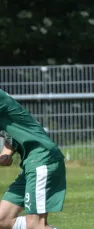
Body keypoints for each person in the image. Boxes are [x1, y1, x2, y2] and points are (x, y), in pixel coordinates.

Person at [0, 89, 66, 229]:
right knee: (3, 219)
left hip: (42, 158)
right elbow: (13, 129)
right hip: (32, 162)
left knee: (36, 225)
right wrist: (6, 154)